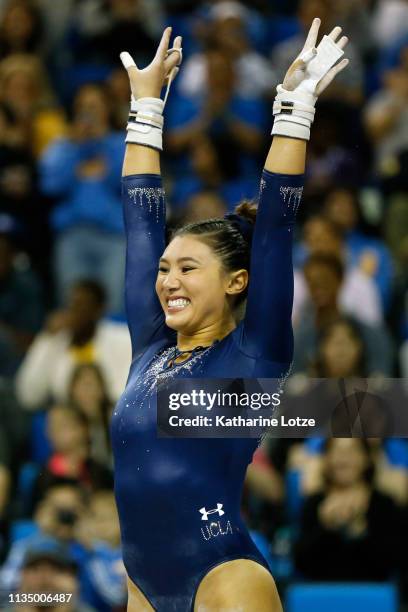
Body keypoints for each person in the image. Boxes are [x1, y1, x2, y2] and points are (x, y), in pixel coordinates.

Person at [112, 20, 349, 611]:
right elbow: (140, 226)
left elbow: (275, 229)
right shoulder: (151, 347)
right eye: (165, 269)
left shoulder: (256, 354)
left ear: (238, 281)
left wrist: (293, 109)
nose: (167, 281)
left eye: (188, 269)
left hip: (224, 576)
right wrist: (145, 108)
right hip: (143, 582)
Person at [294, 438, 402, 582]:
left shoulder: (384, 503)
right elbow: (301, 563)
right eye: (336, 451)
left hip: (372, 594)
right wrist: (326, 528)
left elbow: (393, 562)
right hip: (322, 592)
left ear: (366, 459)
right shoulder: (313, 504)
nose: (343, 457)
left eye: (352, 451)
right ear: (326, 459)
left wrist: (359, 533)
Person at [16, 279, 131, 410]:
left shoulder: (124, 339)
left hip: (112, 417)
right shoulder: (54, 343)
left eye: (81, 306)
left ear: (99, 310)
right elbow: (28, 397)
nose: (74, 313)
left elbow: (133, 393)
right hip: (72, 423)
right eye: (70, 306)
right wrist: (45, 340)